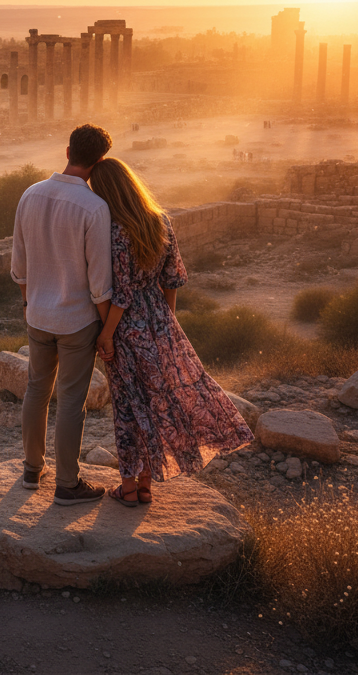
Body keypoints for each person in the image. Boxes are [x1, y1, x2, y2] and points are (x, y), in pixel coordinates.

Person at [89, 158, 253, 506]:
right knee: (155, 403)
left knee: (129, 407)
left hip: (125, 326)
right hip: (160, 320)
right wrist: (168, 323)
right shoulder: (159, 221)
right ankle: (146, 485)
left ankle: (129, 487)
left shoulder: (116, 231)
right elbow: (173, 280)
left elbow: (121, 293)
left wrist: (107, 334)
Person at [11, 124, 114, 506]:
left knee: (37, 390)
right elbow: (100, 282)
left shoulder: (30, 194)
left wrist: (30, 302)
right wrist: (107, 330)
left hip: (37, 314)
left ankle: (31, 468)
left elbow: (19, 267)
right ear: (99, 162)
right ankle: (67, 484)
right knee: (71, 400)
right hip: (77, 320)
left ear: (67, 151)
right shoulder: (94, 208)